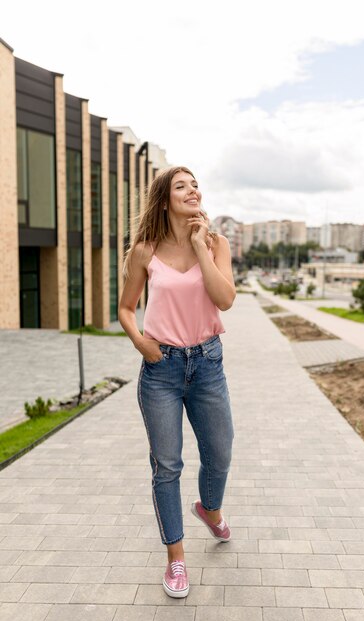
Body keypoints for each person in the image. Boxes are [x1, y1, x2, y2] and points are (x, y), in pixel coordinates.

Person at [118, 165, 235, 598]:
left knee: (220, 454)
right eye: (181, 186)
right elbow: (127, 308)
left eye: (196, 184)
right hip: (161, 370)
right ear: (165, 199)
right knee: (167, 467)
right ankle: (177, 560)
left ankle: (209, 508)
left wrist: (202, 248)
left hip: (207, 364)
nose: (192, 190)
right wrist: (141, 343)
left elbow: (225, 299)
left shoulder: (216, 242)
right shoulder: (145, 252)